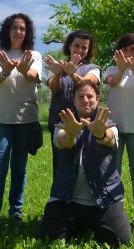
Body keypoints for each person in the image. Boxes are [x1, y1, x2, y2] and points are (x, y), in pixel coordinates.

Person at [38, 80, 131, 247]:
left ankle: (86, 223)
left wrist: (100, 134)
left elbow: (109, 140)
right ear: (73, 100)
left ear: (97, 99)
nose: (86, 100)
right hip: (67, 198)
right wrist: (70, 134)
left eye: (90, 96)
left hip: (103, 198)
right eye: (81, 97)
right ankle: (79, 223)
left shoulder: (108, 124)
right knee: (47, 237)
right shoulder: (63, 124)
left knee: (121, 240)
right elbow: (62, 142)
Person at [0, 13, 42, 234]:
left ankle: (16, 212)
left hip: (26, 119)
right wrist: (6, 69)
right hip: (0, 119)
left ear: (28, 32)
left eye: (23, 28)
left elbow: (34, 75)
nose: (18, 32)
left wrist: (23, 69)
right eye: (14, 27)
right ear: (7, 30)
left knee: (19, 168)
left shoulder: (34, 54)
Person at [103, 33, 134, 228]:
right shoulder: (112, 69)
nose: (130, 53)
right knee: (114, 173)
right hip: (113, 129)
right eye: (125, 50)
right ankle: (115, 214)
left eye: (133, 49)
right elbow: (112, 82)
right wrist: (123, 69)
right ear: (119, 53)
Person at [44, 30, 100, 178]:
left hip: (86, 123)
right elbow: (53, 87)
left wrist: (71, 73)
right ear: (69, 45)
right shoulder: (57, 66)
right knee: (60, 165)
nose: (80, 50)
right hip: (59, 123)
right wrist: (57, 73)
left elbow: (87, 84)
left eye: (84, 47)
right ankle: (59, 199)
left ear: (88, 50)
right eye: (77, 45)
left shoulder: (93, 68)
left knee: (85, 164)